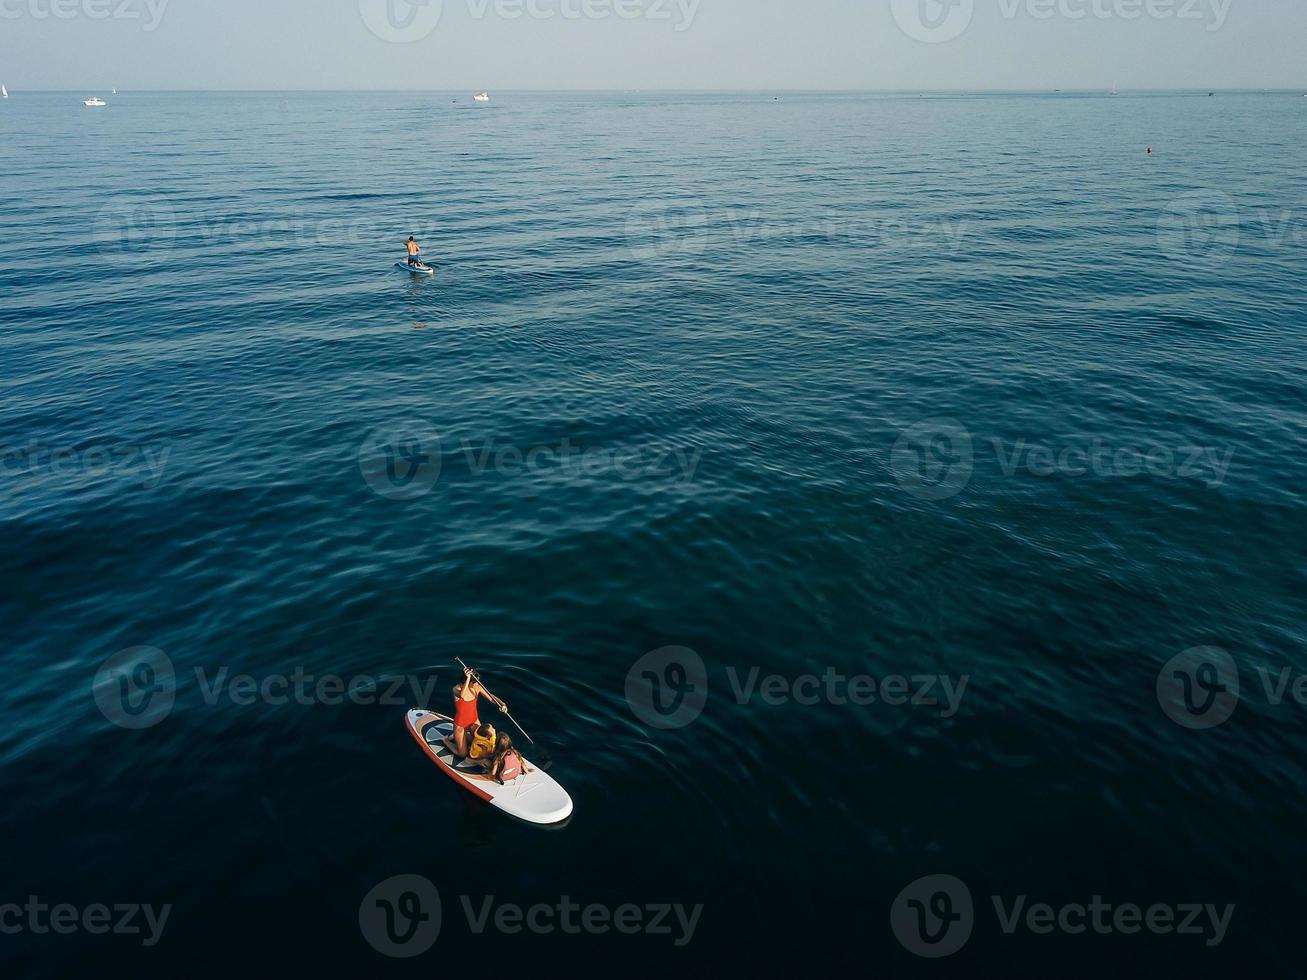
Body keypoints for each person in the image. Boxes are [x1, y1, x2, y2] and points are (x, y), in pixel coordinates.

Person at [444, 666, 508, 758]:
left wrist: (502, 704)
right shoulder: (456, 688)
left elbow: (491, 698)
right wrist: (468, 678)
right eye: (474, 681)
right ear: (468, 680)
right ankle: (446, 741)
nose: (477, 683)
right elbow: (462, 695)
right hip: (460, 724)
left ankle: (463, 738)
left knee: (483, 742)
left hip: (474, 720)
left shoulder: (477, 687)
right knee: (462, 754)